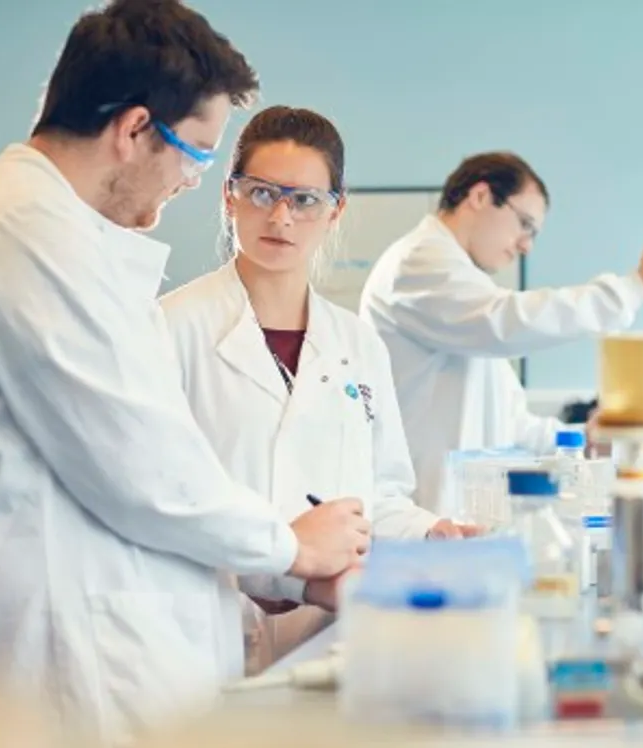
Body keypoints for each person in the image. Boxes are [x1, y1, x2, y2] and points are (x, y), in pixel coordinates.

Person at [0, 2, 368, 742]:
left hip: (117, 653)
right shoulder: (25, 234)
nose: (190, 181)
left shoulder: (65, 235)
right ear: (135, 130)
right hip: (54, 676)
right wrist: (293, 547)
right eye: (200, 155)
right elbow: (143, 470)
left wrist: (283, 568)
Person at [159, 106, 479, 670]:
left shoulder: (357, 342)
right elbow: (164, 499)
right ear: (228, 196)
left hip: (333, 623)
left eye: (305, 200)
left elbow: (377, 496)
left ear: (335, 212)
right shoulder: (171, 328)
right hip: (212, 619)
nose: (281, 216)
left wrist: (432, 533)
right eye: (261, 192)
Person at [359, 152, 643, 513]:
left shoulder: (465, 295)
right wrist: (635, 288)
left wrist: (586, 440)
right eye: (525, 225)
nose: (526, 245)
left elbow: (512, 426)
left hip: (457, 519)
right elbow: (504, 322)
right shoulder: (416, 263)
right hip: (416, 519)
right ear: (481, 196)